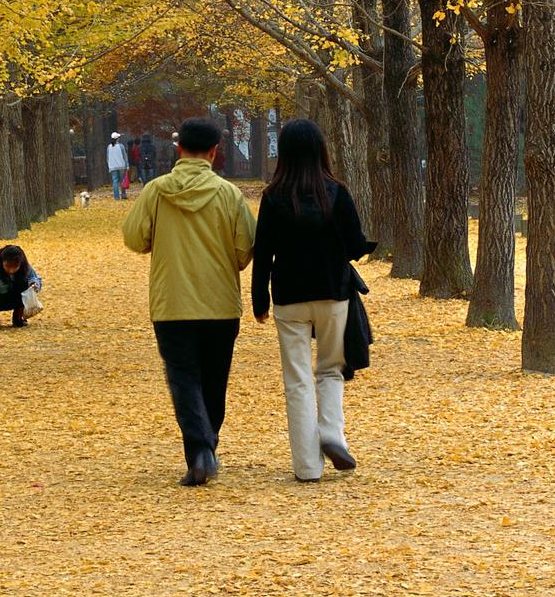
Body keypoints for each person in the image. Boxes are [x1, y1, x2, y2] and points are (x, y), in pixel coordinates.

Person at [123, 117, 256, 486]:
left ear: (178, 149)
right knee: (214, 380)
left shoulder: (157, 191)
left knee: (183, 378)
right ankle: (207, 446)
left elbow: (134, 237)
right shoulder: (228, 194)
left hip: (172, 304)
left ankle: (200, 451)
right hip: (220, 304)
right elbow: (245, 248)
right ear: (214, 153)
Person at [251, 119, 376, 482]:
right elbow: (354, 247)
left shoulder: (273, 197)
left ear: (284, 153)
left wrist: (260, 298)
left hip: (289, 297)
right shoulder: (336, 192)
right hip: (332, 293)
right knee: (330, 369)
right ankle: (333, 435)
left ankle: (306, 466)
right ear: (321, 149)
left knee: (298, 379)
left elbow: (264, 253)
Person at [107, 131, 129, 201]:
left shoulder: (109, 147)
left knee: (115, 181)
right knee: (122, 181)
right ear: (117, 139)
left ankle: (116, 197)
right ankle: (123, 194)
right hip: (121, 166)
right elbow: (125, 156)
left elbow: (107, 158)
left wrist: (109, 165)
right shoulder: (121, 146)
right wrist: (127, 165)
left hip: (113, 167)